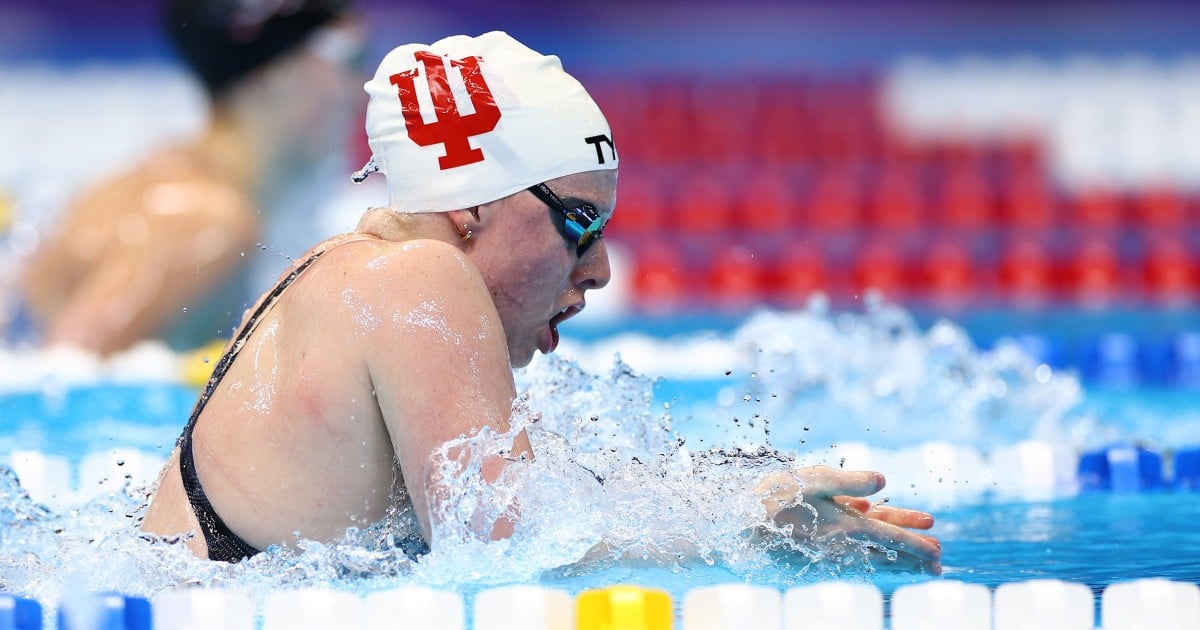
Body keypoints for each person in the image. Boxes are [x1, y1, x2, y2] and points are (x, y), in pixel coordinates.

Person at [140, 31, 941, 573]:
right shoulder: (417, 277)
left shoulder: (337, 269)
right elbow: (501, 546)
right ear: (471, 206)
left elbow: (529, 502)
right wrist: (747, 524)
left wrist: (723, 494)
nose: (599, 270)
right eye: (578, 224)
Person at [15, 0, 366, 355]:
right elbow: (63, 367)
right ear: (270, 70)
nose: (361, 91)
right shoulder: (207, 223)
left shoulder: (186, 184)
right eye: (351, 61)